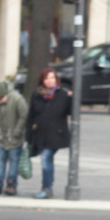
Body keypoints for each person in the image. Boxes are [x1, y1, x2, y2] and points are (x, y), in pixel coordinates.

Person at [26, 68, 73, 199]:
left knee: (46, 158)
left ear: (56, 79)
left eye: (52, 78)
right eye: (47, 78)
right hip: (40, 134)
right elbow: (31, 115)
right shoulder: (37, 94)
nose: (50, 81)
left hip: (56, 134)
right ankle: (47, 187)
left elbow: (71, 112)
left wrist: (72, 99)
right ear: (42, 81)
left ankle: (47, 188)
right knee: (47, 160)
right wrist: (28, 135)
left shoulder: (63, 94)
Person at [0, 81, 28, 196]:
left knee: (14, 160)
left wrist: (18, 130)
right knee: (0, 159)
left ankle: (11, 183)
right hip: (0, 136)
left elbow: (24, 115)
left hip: (14, 137)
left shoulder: (17, 99)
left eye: (0, 100)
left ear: (6, 95)